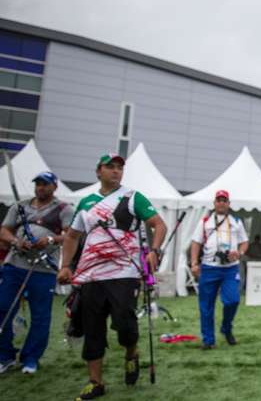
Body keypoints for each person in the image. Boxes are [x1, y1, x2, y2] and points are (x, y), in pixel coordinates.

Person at [57, 153, 167, 400]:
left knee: (125, 324)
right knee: (92, 328)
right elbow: (72, 236)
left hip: (124, 272)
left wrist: (155, 251)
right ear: (99, 172)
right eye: (110, 167)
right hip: (91, 274)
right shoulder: (86, 202)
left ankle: (131, 354)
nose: (116, 171)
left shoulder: (132, 197)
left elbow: (158, 224)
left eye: (119, 168)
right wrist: (65, 266)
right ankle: (95, 382)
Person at [0, 171, 73, 375]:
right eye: (38, 183)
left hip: (42, 269)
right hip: (15, 265)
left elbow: (71, 235)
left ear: (54, 187)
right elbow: (4, 231)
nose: (40, 187)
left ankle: (31, 358)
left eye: (45, 184)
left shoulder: (63, 209)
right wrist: (16, 241)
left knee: (40, 316)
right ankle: (5, 356)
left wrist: (49, 240)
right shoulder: (20, 206)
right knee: (2, 307)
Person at [190, 190, 248, 349]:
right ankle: (208, 340)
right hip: (209, 267)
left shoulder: (236, 221)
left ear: (229, 204)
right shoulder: (205, 221)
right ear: (214, 203)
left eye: (224, 200)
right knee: (206, 305)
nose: (221, 203)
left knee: (233, 300)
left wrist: (240, 252)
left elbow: (244, 242)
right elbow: (196, 242)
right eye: (218, 200)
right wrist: (194, 263)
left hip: (230, 268)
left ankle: (226, 327)